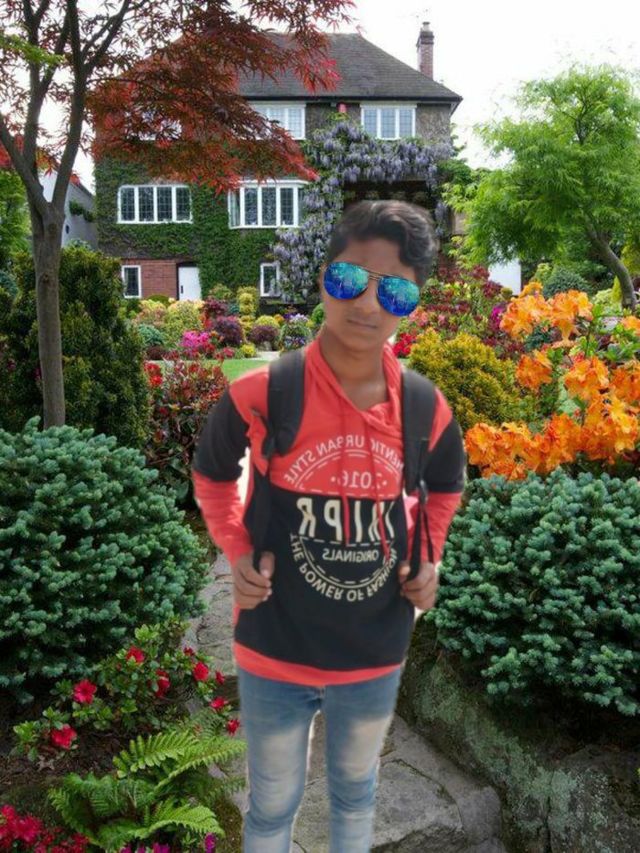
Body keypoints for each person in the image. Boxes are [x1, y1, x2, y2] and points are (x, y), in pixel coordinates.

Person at [192, 199, 467, 853]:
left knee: (354, 797)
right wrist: (236, 548)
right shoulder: (263, 393)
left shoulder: (425, 407)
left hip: (372, 651)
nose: (368, 305)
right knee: (271, 806)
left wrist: (429, 556)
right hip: (274, 647)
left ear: (412, 304)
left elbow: (446, 487)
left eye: (394, 290)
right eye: (350, 279)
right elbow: (211, 474)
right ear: (323, 277)